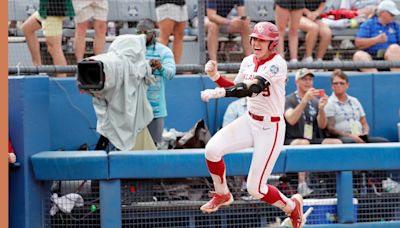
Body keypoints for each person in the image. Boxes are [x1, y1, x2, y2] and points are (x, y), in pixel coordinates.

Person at [199, 22, 304, 228]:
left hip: (270, 128)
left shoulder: (277, 64)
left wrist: (221, 92)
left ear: (272, 44)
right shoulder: (248, 61)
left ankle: (292, 207)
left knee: (255, 189)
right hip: (250, 119)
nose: (256, 43)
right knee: (212, 150)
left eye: (262, 40)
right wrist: (216, 78)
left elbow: (252, 88)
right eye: (255, 38)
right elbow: (236, 87)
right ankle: (222, 194)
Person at [284, 68, 342, 197]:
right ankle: (302, 184)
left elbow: (322, 125)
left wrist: (321, 110)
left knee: (336, 142)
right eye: (304, 79)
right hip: (292, 140)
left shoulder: (315, 101)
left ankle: (334, 184)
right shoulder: (289, 99)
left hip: (311, 138)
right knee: (303, 143)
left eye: (310, 79)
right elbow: (291, 119)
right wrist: (304, 100)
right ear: (297, 82)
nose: (308, 82)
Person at [136, 19, 176, 147]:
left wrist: (160, 67)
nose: (142, 36)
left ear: (153, 33)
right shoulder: (131, 51)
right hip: (134, 110)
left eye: (145, 32)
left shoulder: (164, 51)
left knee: (153, 147)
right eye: (139, 32)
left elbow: (171, 74)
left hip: (155, 110)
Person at [325, 69, 390, 143]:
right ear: (332, 86)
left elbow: (364, 122)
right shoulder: (329, 102)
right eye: (335, 83)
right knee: (351, 141)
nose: (338, 85)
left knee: (384, 142)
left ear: (347, 85)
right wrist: (350, 136)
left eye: (342, 83)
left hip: (359, 135)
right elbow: (330, 129)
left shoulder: (354, 101)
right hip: (343, 137)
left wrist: (365, 132)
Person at [20, 0, 75, 77]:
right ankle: (38, 69)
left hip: (54, 9)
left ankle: (62, 80)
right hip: (45, 8)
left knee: (54, 48)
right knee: (27, 28)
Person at [352, 0, 400, 72]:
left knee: (394, 48)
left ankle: (397, 79)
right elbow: (358, 43)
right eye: (392, 14)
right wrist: (376, 40)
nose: (394, 17)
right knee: (359, 55)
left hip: (390, 58)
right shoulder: (368, 24)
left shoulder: (395, 26)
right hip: (371, 57)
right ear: (383, 13)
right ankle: (376, 80)